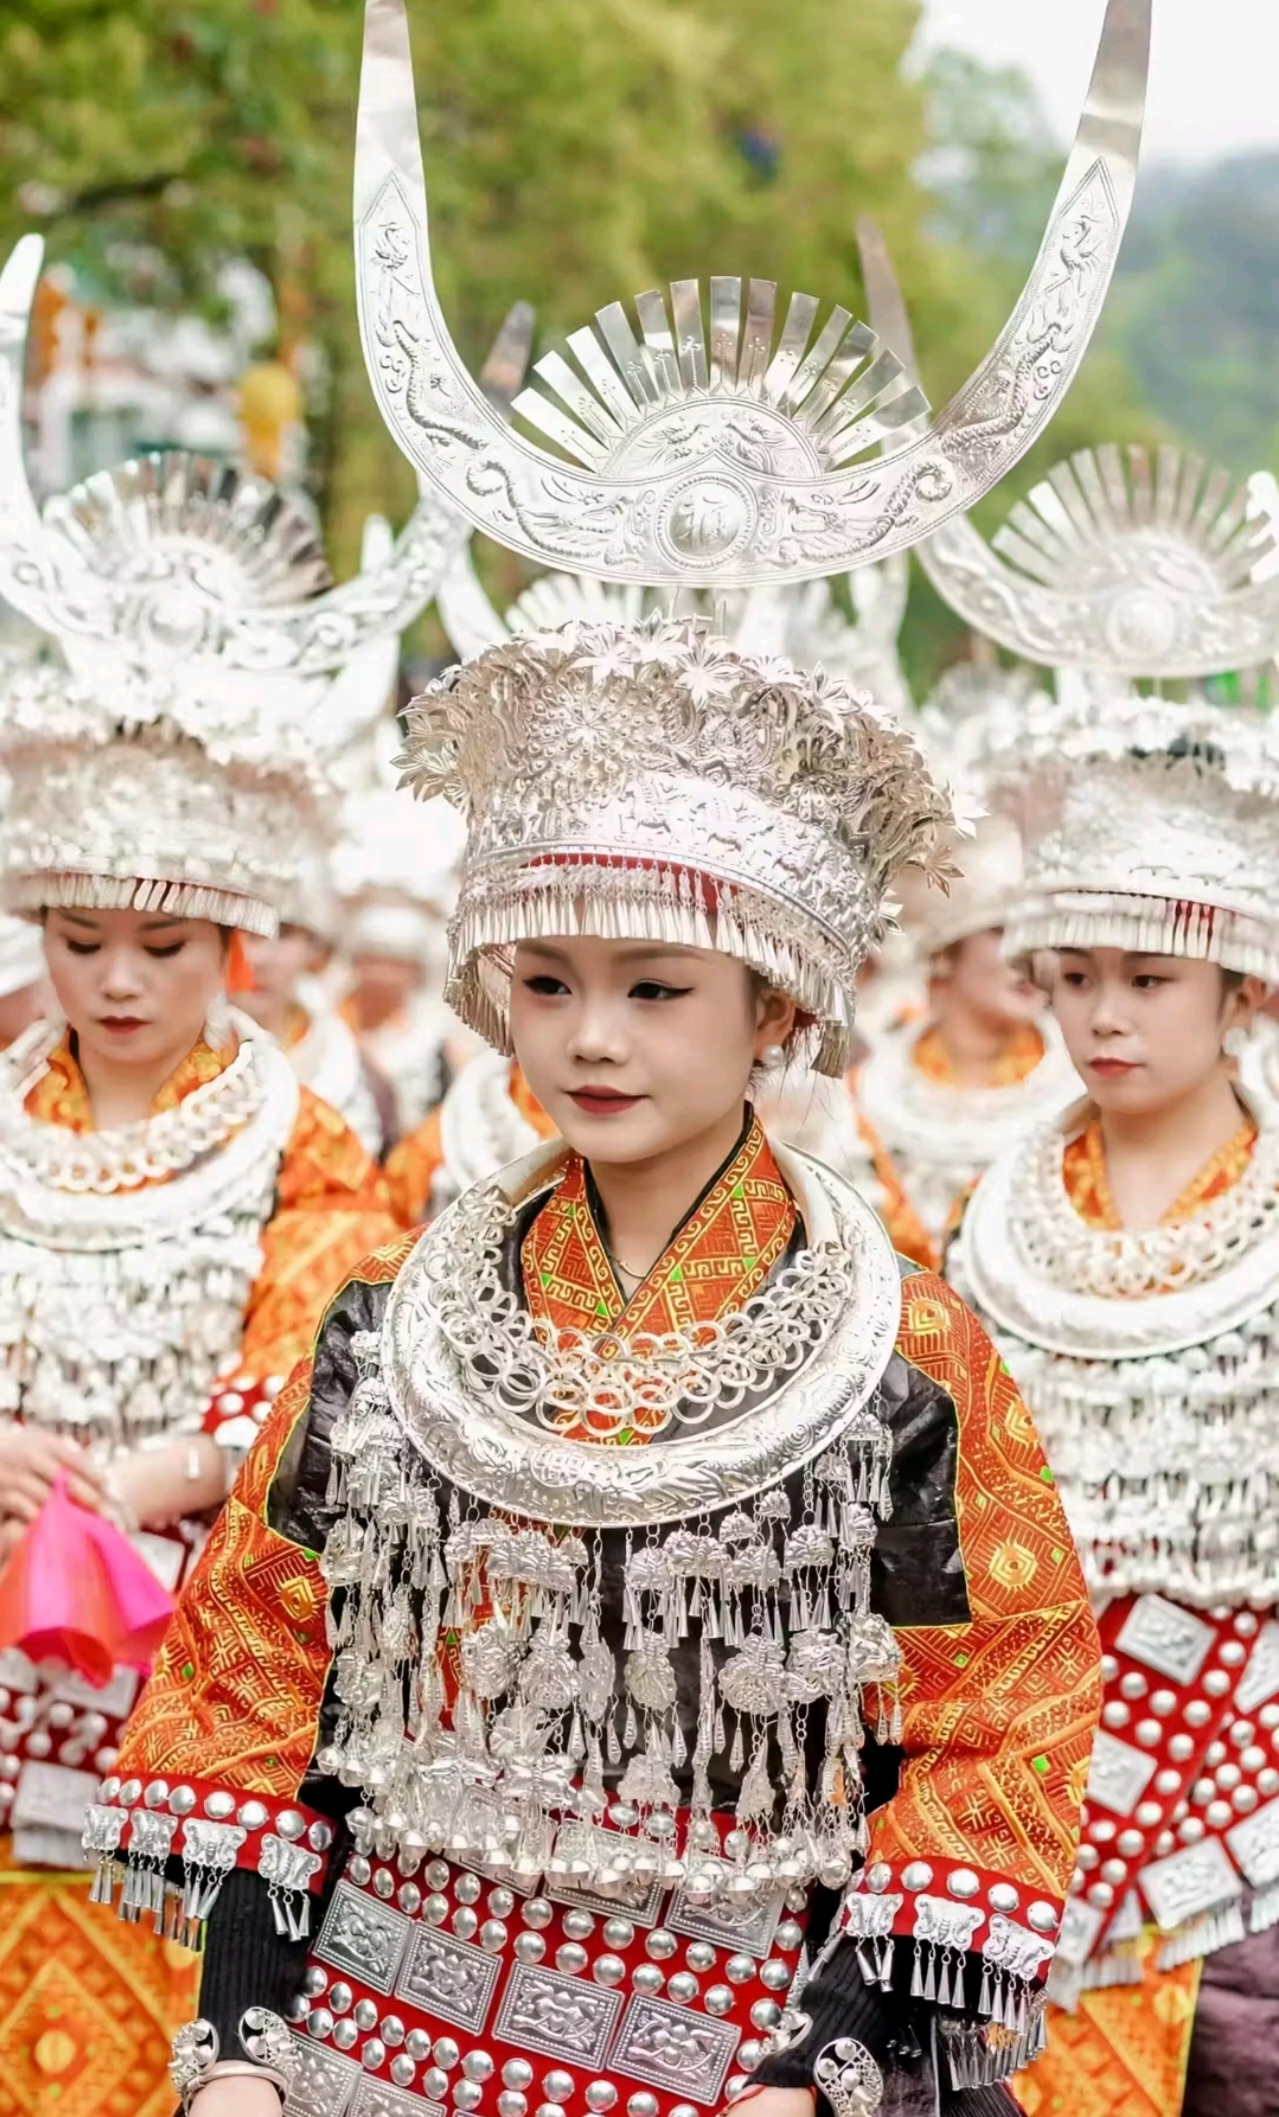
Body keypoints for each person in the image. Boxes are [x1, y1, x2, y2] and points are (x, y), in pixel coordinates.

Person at [93, 615, 1101, 2117]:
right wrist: (242, 2047)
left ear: (776, 1003)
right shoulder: (391, 1333)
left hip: (750, 2059)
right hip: (374, 2052)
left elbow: (985, 1727)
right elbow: (262, 1684)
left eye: (653, 987)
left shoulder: (902, 1356)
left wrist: (817, 2076)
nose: (589, 1039)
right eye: (548, 984)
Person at [0, 416, 457, 2110]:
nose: (119, 979)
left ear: (234, 941)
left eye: (164, 942)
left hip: (187, 1687)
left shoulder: (303, 1137)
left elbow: (331, 1367)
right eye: (81, 938)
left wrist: (172, 1466)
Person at [948, 686, 1279, 2117]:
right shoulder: (992, 1213)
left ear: (1240, 992)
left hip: (1243, 1789)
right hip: (1009, 1764)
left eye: (1146, 980)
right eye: (1072, 974)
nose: (1101, 1014)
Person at [850, 807, 1076, 1271]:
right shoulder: (859, 1101)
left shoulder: (1085, 1092)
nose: (1030, 954)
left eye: (1042, 933)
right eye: (1002, 931)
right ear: (947, 953)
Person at [240, 912, 392, 1161]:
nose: (259, 957)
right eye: (240, 929)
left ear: (314, 948)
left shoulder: (354, 1071)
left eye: (283, 933)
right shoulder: (168, 1058)